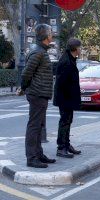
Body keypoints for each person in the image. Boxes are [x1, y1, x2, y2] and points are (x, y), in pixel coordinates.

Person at [17, 24, 55, 168]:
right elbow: (26, 73)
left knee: (39, 125)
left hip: (41, 94)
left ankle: (38, 154)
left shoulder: (41, 51)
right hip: (37, 93)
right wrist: (24, 87)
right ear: (46, 36)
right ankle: (32, 158)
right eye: (51, 32)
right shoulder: (38, 52)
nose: (52, 35)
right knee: (34, 126)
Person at [53, 38, 82, 158]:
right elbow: (62, 82)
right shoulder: (66, 61)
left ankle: (67, 144)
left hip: (67, 97)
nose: (81, 49)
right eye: (80, 47)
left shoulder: (70, 58)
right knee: (64, 121)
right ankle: (61, 147)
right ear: (75, 48)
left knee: (68, 121)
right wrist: (69, 98)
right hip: (65, 98)